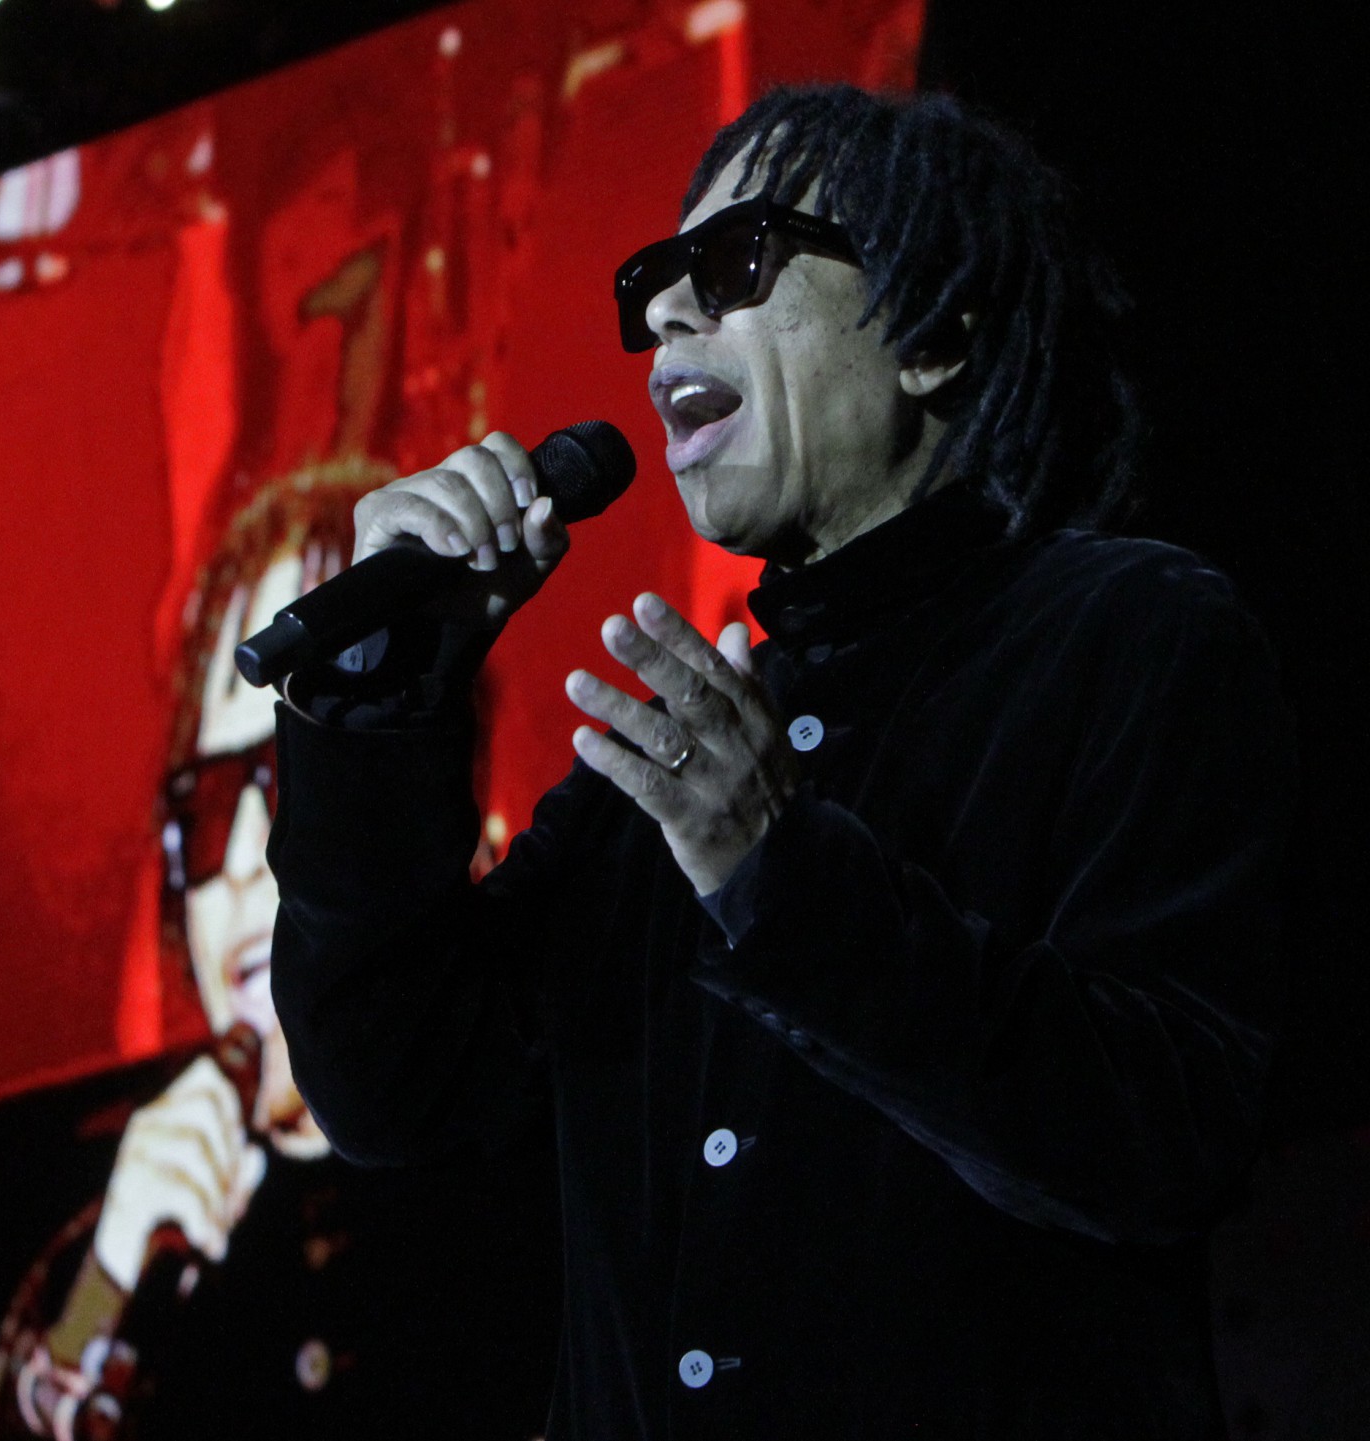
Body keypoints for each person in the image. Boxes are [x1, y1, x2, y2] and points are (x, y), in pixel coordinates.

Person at [268, 85, 1293, 1438]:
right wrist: (378, 716)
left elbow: (1168, 1139)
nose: (669, 319)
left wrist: (784, 879)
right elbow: (392, 1091)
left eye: (736, 262)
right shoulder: (677, 750)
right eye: (656, 286)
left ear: (929, 333)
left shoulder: (1129, 632)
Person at [0, 463, 558, 1441]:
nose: (244, 864)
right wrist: (109, 1290)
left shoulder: (555, 1109)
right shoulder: (77, 1202)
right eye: (205, 811)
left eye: (287, 780)